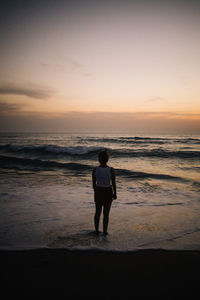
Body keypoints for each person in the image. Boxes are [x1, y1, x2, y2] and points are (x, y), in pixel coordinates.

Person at [92, 150, 117, 235]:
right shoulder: (111, 170)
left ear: (99, 159)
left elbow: (94, 184)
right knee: (106, 214)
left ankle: (96, 230)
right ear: (107, 159)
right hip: (108, 192)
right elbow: (113, 183)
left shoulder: (95, 169)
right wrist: (115, 194)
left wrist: (96, 192)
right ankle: (105, 231)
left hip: (98, 191)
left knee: (97, 213)